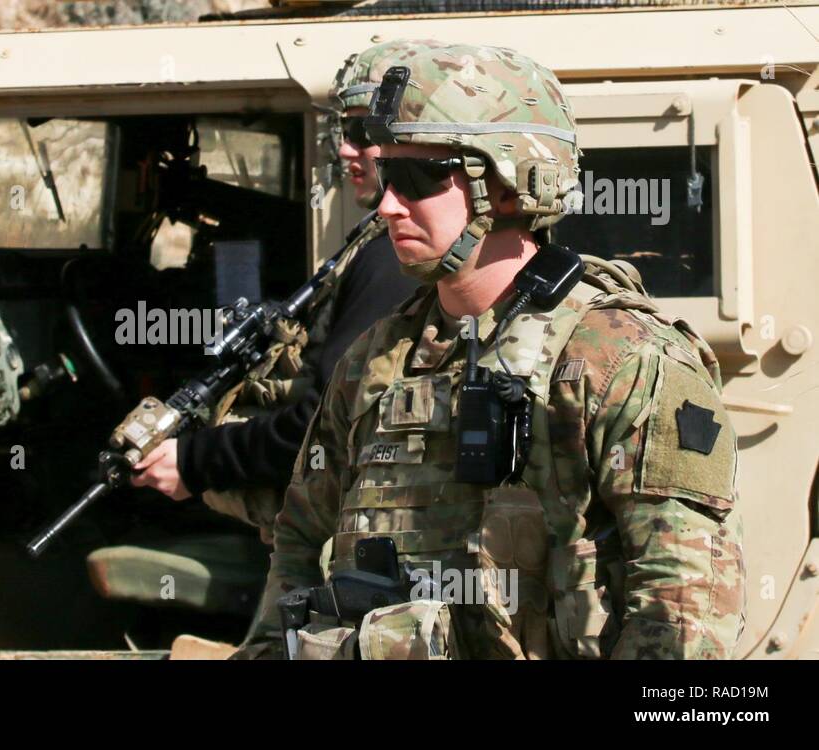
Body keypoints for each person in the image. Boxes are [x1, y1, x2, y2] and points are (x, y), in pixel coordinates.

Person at [240, 39, 746, 660]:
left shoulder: (622, 360)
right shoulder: (373, 361)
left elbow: (682, 615)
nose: (388, 205)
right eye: (385, 177)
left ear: (509, 186)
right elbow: (298, 542)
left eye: (418, 178)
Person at [128, 46, 418, 545]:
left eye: (362, 133)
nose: (346, 150)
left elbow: (328, 422)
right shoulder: (378, 240)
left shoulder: (396, 255)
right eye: (341, 134)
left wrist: (198, 462)